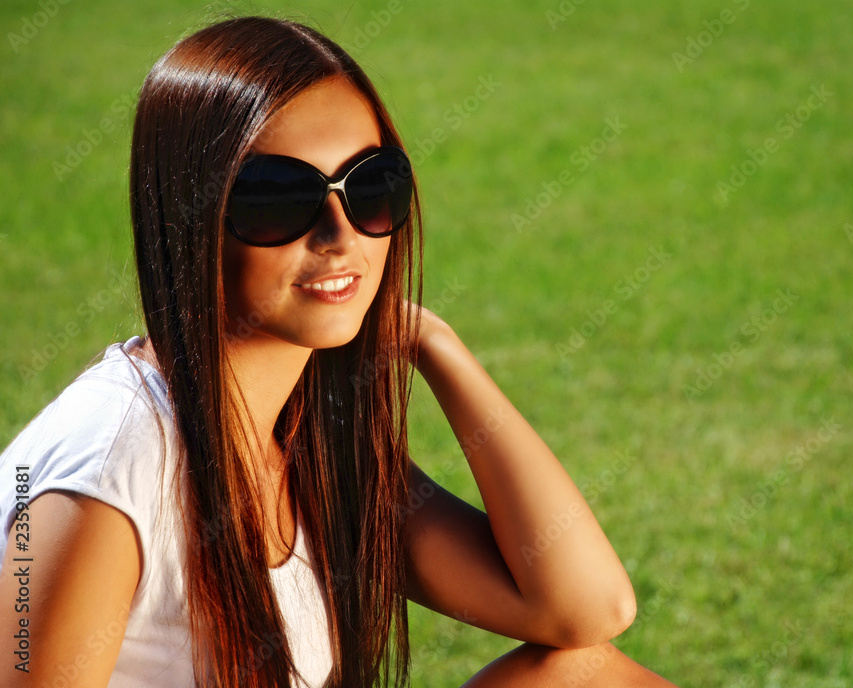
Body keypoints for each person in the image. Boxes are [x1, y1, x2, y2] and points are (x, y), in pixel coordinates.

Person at [0, 16, 676, 688]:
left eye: (371, 186)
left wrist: (433, 342)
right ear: (189, 213)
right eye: (278, 198)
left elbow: (584, 609)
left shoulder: (310, 444)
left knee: (579, 672)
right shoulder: (112, 471)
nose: (339, 235)